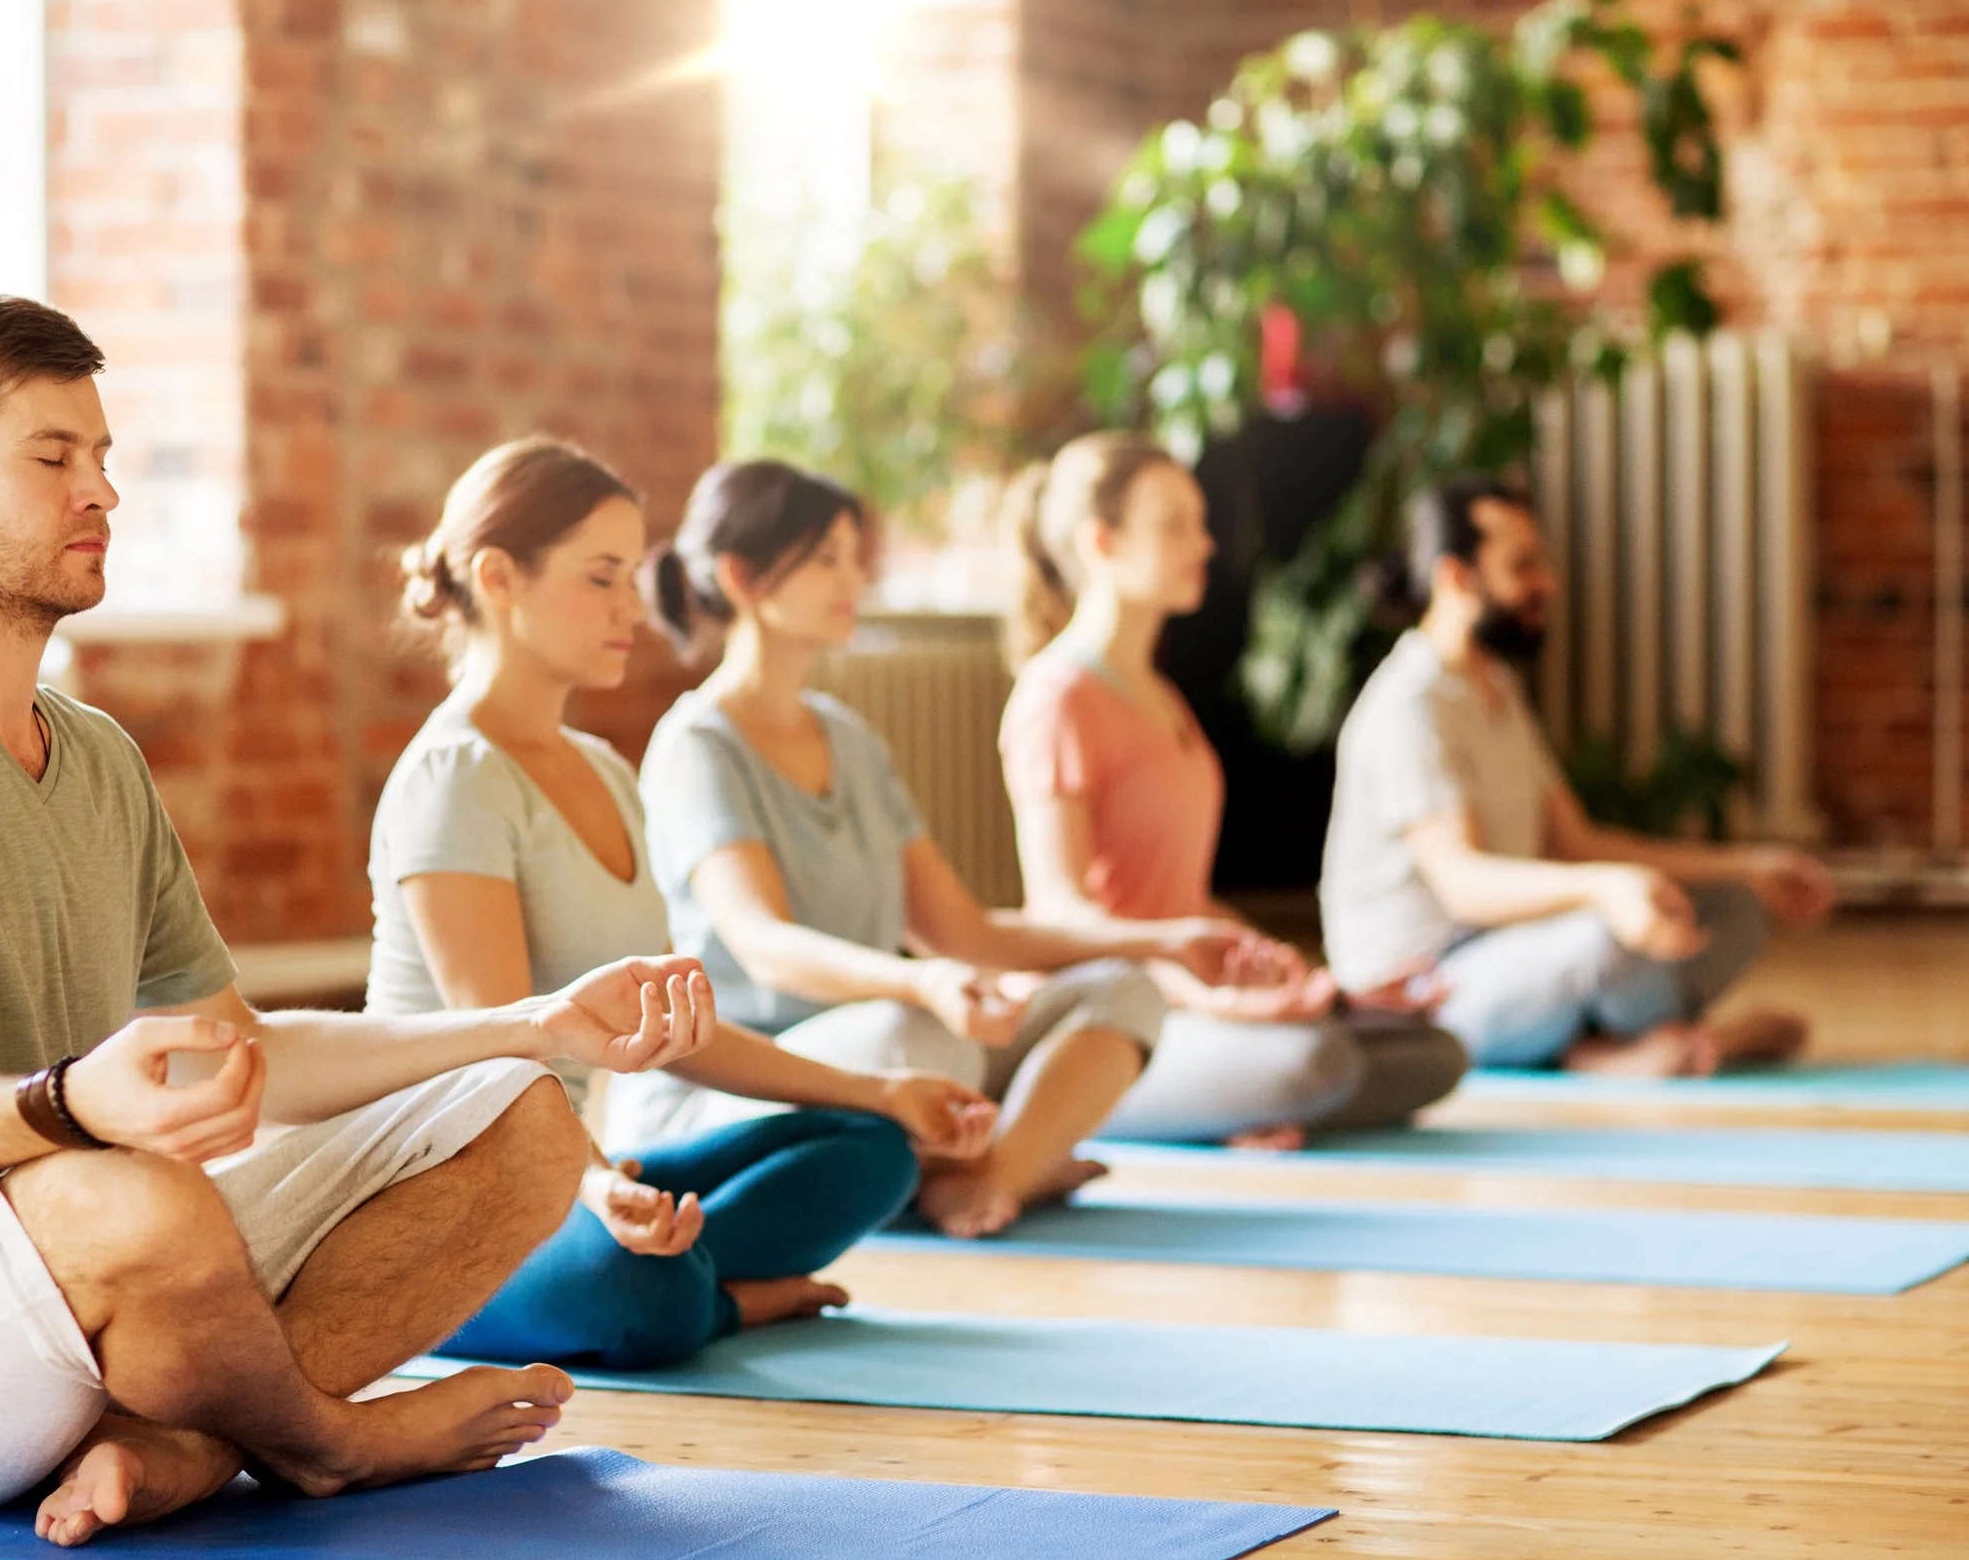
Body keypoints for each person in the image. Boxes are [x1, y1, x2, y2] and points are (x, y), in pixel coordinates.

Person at [0, 294, 723, 1547]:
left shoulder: (96, 759)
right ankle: (327, 1442)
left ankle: (181, 1442)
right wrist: (72, 1103)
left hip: (90, 1264)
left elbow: (246, 1054)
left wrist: (532, 1027)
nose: (101, 493)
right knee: (139, 1199)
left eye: (103, 459)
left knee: (520, 1117)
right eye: (51, 458)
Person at [369, 437, 996, 1368]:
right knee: (632, 1287)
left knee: (872, 1149)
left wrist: (882, 1090)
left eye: (631, 575)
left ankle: (682, 1275)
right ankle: (716, 1300)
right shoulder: (455, 777)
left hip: (567, 1177)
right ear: (498, 579)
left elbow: (678, 1022)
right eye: (600, 578)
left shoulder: (604, 771)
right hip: (434, 1196)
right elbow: (502, 1054)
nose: (632, 607)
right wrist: (587, 1181)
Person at [626, 459, 1298, 1240]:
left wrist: (1161, 941)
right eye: (825, 560)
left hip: (891, 1047)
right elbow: (767, 947)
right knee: (913, 1034)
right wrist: (927, 984)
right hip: (755, 1074)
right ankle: (985, 1163)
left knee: (1122, 989)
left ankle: (990, 1174)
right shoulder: (697, 744)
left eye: (854, 555)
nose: (855, 576)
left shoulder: (849, 738)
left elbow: (969, 933)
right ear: (741, 577)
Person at [1002, 432, 1469, 1143]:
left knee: (1433, 1053)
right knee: (1311, 1063)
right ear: (1103, 541)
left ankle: (1232, 1094)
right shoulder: (1056, 697)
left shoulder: (1161, 696)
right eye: (1175, 524)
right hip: (1109, 1015)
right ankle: (1189, 1097)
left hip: (1191, 1000)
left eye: (1200, 520)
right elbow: (1059, 911)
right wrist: (1208, 1003)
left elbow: (1180, 901)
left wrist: (1310, 982)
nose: (1205, 544)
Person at [1320, 474, 1835, 1076]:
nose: (1549, 584)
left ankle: (1609, 1047)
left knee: (1738, 907)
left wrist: (1746, 866)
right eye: (1524, 566)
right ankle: (1656, 1045)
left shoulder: (1496, 690)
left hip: (1515, 950)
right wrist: (1605, 890)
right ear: (1456, 579)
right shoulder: (1409, 705)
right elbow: (1465, 884)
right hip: (1426, 990)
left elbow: (1579, 843)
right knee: (1605, 939)